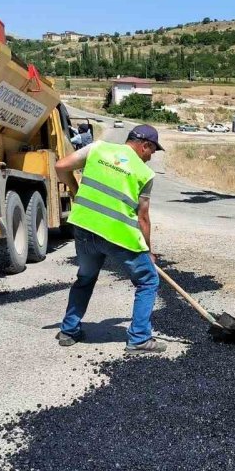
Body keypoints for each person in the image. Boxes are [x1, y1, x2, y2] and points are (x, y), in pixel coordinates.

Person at [53, 124, 165, 352]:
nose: (151, 157)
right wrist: (148, 251)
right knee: (148, 281)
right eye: (152, 151)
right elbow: (143, 217)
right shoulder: (144, 173)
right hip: (117, 234)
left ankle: (68, 330)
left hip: (84, 229)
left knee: (85, 278)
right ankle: (139, 338)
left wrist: (76, 190)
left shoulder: (97, 149)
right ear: (144, 145)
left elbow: (60, 166)